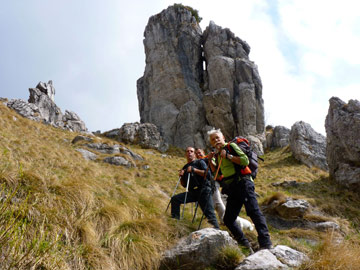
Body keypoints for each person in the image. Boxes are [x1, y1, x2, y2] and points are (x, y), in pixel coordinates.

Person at [207, 129, 272, 251]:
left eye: (217, 137)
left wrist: (228, 156)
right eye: (213, 139)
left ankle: (266, 243)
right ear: (211, 143)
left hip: (244, 183)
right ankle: (245, 245)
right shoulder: (217, 155)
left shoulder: (231, 146)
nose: (216, 140)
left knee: (253, 211)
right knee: (228, 219)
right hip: (232, 188)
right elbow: (218, 174)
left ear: (223, 138)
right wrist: (211, 161)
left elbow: (245, 160)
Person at [195, 148, 254, 232]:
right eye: (196, 153)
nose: (198, 154)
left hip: (216, 183)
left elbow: (215, 169)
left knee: (218, 203)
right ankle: (230, 221)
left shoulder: (209, 157)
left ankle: (226, 221)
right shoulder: (198, 162)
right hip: (213, 184)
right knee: (218, 204)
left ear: (203, 152)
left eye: (200, 152)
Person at [170, 147, 219, 229]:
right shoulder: (185, 167)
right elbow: (184, 185)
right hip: (193, 192)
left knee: (209, 213)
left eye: (191, 151)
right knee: (175, 199)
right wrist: (181, 176)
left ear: (195, 154)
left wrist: (194, 170)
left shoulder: (200, 162)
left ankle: (217, 231)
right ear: (185, 154)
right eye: (187, 151)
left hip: (204, 190)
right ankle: (175, 223)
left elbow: (208, 174)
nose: (189, 153)